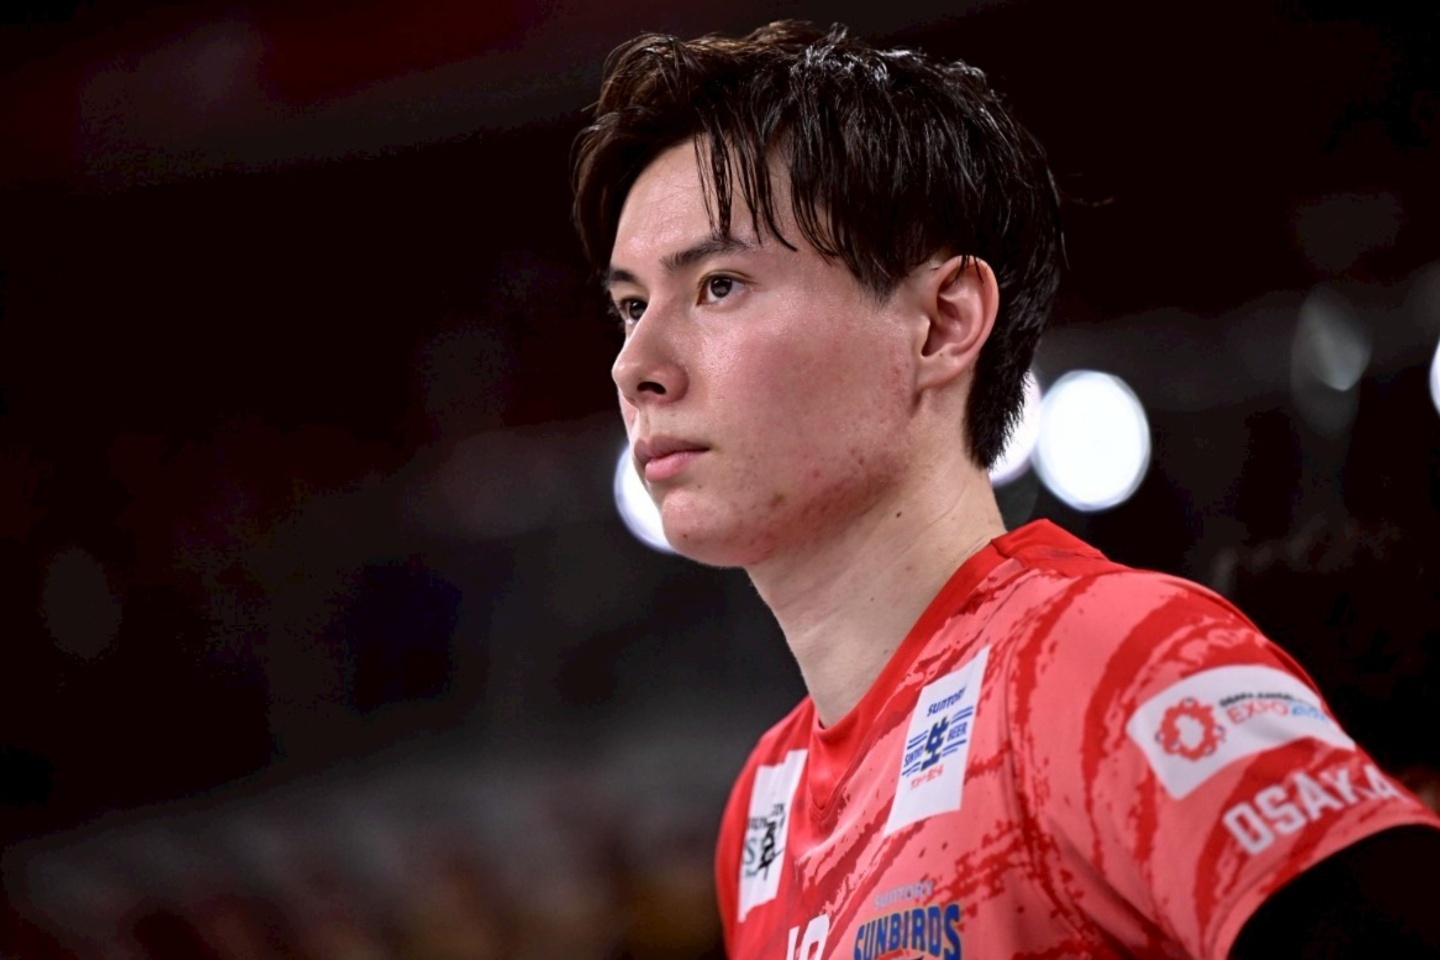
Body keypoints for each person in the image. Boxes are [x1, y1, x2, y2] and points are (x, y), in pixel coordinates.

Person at [570, 21, 1440, 960]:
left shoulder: (1106, 660)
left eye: (719, 285)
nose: (634, 364)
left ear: (943, 322)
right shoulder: (766, 805)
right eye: (631, 305)